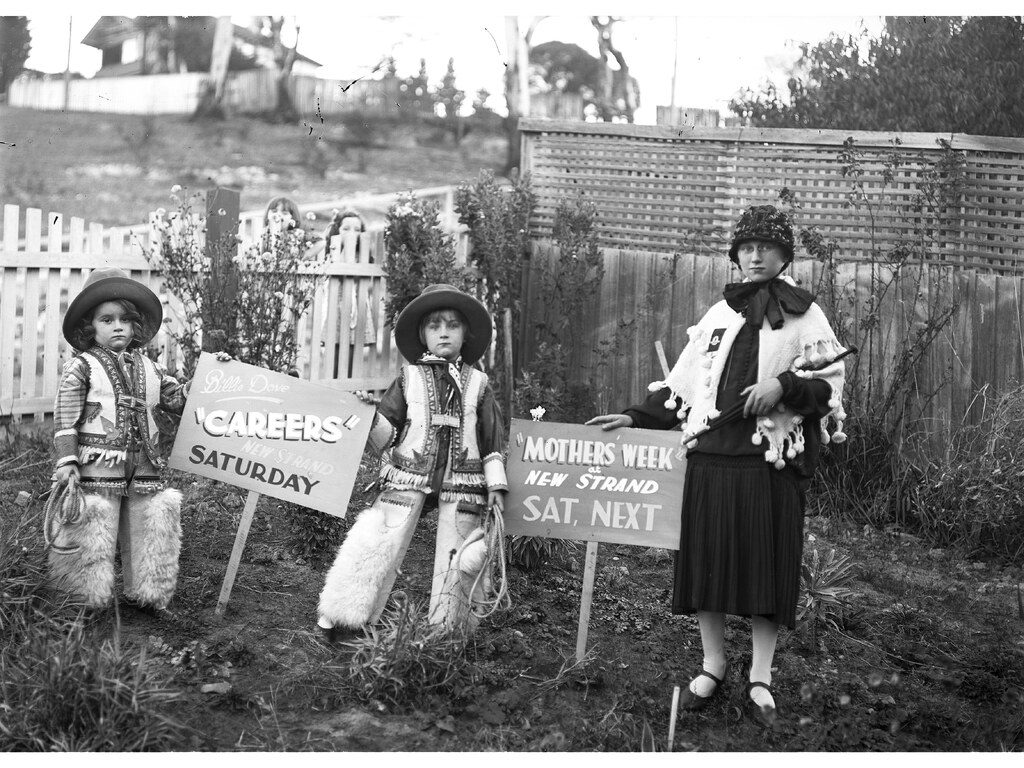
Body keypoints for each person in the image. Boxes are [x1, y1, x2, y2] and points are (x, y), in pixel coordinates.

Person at [586, 205, 849, 726]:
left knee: (763, 568)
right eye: (746, 248)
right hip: (709, 457)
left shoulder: (807, 316)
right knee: (707, 564)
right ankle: (712, 664)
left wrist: (783, 387)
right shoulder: (720, 314)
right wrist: (636, 414)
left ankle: (761, 676)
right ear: (736, 255)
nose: (755, 256)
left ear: (784, 255)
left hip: (768, 463)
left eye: (766, 248)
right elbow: (686, 389)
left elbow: (829, 389)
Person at [317, 283, 508, 640]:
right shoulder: (408, 378)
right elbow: (385, 435)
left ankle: (449, 630)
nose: (444, 332)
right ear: (422, 335)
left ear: (466, 334)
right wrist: (368, 415)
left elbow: (491, 439)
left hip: (463, 482)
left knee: (461, 556)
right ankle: (345, 616)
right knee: (378, 542)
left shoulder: (480, 384)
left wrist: (496, 484)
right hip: (407, 475)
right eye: (434, 326)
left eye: (452, 325)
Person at [48, 267, 226, 614]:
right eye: (107, 319)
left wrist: (212, 376)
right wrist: (67, 461)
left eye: (125, 320)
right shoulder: (82, 368)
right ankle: (82, 597)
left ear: (135, 326)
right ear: (89, 326)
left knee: (148, 523)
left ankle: (147, 592)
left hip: (144, 461)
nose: (118, 326)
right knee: (95, 523)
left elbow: (178, 400)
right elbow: (64, 420)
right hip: (99, 463)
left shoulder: (152, 369)